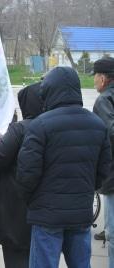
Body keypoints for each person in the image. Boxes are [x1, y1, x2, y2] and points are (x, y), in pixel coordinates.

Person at [17, 66, 111, 268]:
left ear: (49, 90)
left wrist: (33, 201)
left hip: (46, 215)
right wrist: (85, 189)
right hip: (80, 212)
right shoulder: (96, 124)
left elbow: (26, 174)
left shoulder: (40, 125)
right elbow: (104, 170)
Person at [0, 82, 44, 267]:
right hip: (47, 203)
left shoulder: (20, 129)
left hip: (15, 204)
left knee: (16, 257)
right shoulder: (53, 125)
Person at [92, 56, 114, 268]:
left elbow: (108, 133)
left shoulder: (103, 100)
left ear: (104, 78)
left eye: (96, 76)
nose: (93, 81)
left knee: (113, 234)